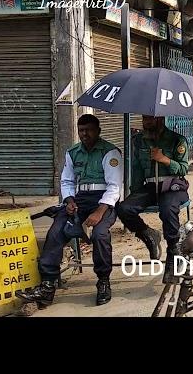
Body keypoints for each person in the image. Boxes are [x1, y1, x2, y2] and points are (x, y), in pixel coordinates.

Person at [16, 114, 123, 307]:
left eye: (88, 130)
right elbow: (66, 181)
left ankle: (103, 281)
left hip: (103, 201)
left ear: (98, 131)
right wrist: (69, 200)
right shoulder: (73, 152)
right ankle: (48, 285)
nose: (84, 134)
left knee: (100, 235)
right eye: (81, 130)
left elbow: (114, 187)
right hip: (80, 199)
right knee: (56, 230)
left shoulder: (110, 152)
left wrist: (99, 213)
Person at [116, 116, 190, 283]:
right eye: (144, 119)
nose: (146, 122)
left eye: (150, 119)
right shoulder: (139, 141)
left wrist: (164, 159)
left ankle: (173, 252)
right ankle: (148, 234)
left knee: (168, 209)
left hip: (172, 186)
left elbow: (184, 168)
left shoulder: (177, 140)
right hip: (150, 187)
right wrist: (134, 195)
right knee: (124, 208)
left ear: (160, 119)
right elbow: (136, 169)